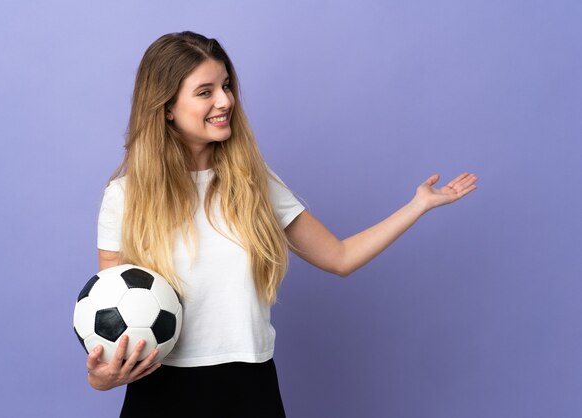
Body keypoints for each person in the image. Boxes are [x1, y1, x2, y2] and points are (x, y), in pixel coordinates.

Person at [85, 31, 478, 417]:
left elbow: (340, 257)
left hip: (250, 389)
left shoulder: (254, 183)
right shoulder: (125, 197)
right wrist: (102, 378)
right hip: (160, 394)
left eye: (226, 85)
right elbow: (114, 325)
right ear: (166, 106)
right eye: (205, 91)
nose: (226, 100)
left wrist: (418, 205)